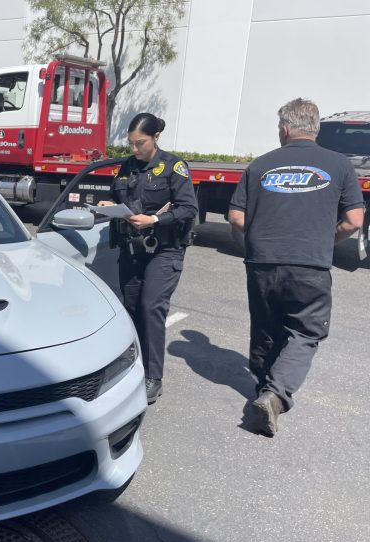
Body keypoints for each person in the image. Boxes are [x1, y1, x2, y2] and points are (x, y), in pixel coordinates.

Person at [228, 98, 364, 437]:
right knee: (306, 331)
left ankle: (263, 388)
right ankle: (275, 395)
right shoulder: (340, 165)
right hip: (309, 264)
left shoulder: (260, 165)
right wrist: (326, 241)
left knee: (265, 327)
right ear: (315, 129)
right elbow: (354, 221)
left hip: (261, 262)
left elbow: (236, 216)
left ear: (286, 129)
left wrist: (263, 238)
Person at [101, 113, 197, 403]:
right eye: (130, 143)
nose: (134, 149)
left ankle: (153, 377)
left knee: (150, 306)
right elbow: (118, 197)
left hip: (164, 249)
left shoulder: (173, 167)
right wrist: (109, 205)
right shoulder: (127, 166)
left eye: (140, 143)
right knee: (130, 308)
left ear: (156, 137)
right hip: (132, 249)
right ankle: (134, 366)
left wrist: (154, 219)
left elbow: (188, 209)